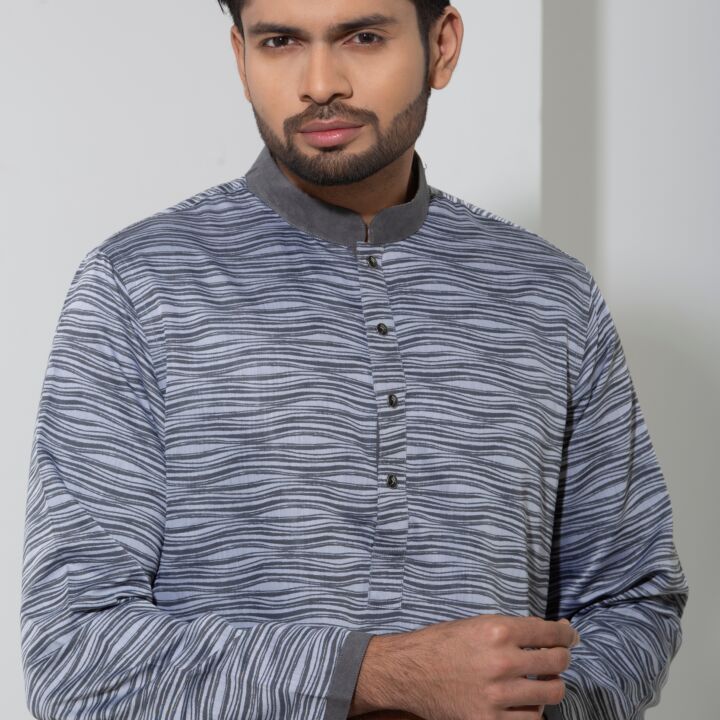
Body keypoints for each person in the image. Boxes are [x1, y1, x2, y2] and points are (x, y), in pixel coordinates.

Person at [20, 1, 688, 719]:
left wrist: (536, 703)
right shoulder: (139, 286)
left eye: (363, 37)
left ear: (441, 46)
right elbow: (74, 656)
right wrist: (381, 675)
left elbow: (634, 600)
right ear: (241, 57)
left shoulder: (550, 294)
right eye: (281, 42)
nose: (319, 83)